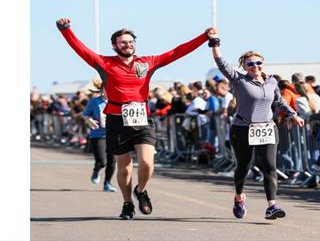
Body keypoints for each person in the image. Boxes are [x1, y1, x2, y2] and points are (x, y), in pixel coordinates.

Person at [56, 17, 211, 220]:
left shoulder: (147, 63)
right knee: (125, 166)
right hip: (116, 119)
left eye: (130, 42)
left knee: (147, 162)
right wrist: (66, 30)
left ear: (135, 44)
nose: (127, 45)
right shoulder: (105, 63)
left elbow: (176, 52)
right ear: (114, 45)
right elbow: (81, 49)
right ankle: (127, 203)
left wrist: (203, 37)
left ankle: (141, 189)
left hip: (142, 118)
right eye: (123, 42)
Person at [207, 27, 304, 220]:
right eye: (251, 64)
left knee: (269, 166)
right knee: (244, 165)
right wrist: (215, 42)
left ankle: (272, 206)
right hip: (243, 128)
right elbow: (220, 62)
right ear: (245, 66)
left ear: (263, 64)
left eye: (258, 63)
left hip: (267, 128)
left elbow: (279, 101)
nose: (255, 66)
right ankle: (239, 197)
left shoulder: (271, 81)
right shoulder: (239, 80)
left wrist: (293, 114)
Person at [83, 77, 117, 192]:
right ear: (102, 89)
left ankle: (107, 183)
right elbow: (85, 115)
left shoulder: (117, 101)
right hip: (98, 134)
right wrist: (90, 121)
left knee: (112, 160)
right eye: (107, 88)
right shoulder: (95, 102)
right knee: (102, 162)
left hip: (113, 135)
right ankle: (96, 170)